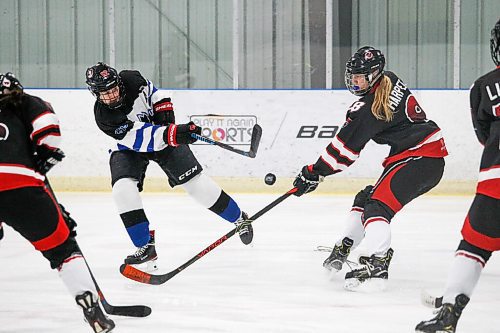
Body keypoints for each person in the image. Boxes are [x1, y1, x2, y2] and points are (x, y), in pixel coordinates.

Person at [292, 46, 448, 291]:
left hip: (419, 158)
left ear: (374, 75)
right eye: (352, 76)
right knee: (365, 198)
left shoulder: (367, 109)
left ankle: (378, 263)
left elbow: (343, 152)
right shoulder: (390, 79)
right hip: (422, 158)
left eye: (360, 76)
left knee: (376, 207)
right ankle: (344, 246)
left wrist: (313, 172)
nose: (354, 81)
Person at [84, 62, 252, 269]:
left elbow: (157, 95)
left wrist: (167, 120)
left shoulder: (132, 79)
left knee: (195, 184)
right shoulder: (104, 117)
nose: (111, 95)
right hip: (129, 146)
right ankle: (146, 246)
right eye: (104, 93)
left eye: (113, 89)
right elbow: (139, 138)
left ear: (119, 81)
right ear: (95, 94)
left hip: (160, 132)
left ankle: (239, 218)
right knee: (122, 190)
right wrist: (171, 133)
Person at [0, 72, 115, 332]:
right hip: (20, 184)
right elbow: (49, 132)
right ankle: (91, 308)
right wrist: (43, 156)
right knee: (62, 250)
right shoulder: (27, 102)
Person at [415, 19, 500, 333]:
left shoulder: (484, 85)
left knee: (474, 247)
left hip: (496, 181)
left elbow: (483, 135)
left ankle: (449, 313)